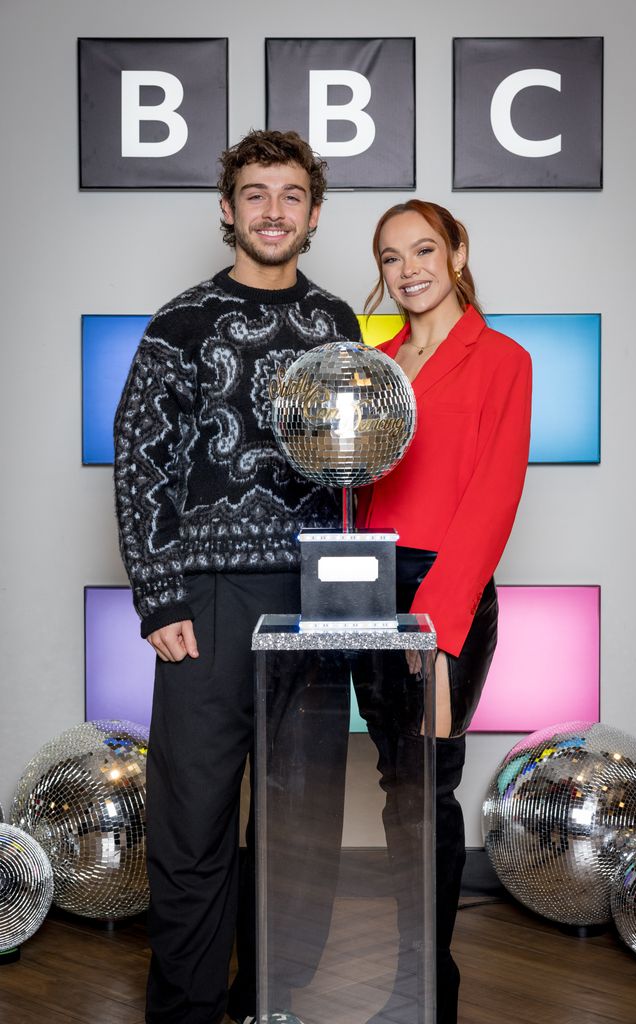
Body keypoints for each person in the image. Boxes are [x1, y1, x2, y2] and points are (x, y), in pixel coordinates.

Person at [114, 129, 360, 1024]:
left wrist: (359, 600)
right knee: (191, 821)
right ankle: (184, 1007)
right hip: (206, 605)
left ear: (313, 214)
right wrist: (158, 596)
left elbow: (357, 463)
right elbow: (139, 461)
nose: (271, 211)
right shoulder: (178, 322)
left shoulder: (336, 322)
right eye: (254, 194)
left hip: (314, 598)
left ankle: (271, 1000)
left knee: (299, 826)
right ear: (227, 209)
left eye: (289, 195)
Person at [354, 199, 532, 1024]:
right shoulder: (373, 363)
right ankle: (408, 975)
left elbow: (492, 500)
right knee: (397, 787)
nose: (409, 269)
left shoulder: (502, 359)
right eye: (391, 257)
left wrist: (434, 624)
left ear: (457, 251)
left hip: (445, 591)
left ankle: (430, 987)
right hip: (367, 588)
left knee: (429, 788)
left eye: (423, 249)